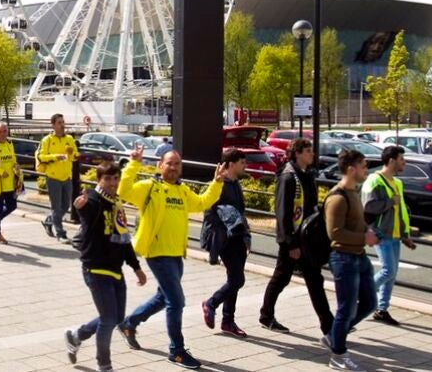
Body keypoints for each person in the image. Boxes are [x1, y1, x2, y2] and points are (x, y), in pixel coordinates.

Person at [116, 147, 224, 370]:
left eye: (177, 164)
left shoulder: (182, 191)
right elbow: (123, 191)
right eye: (169, 163)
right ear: (160, 165)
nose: (173, 167)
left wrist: (217, 182)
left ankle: (129, 323)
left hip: (176, 254)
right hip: (157, 253)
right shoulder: (150, 187)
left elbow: (201, 202)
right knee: (176, 301)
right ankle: (176, 351)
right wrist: (133, 164)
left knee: (162, 297)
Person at [65, 161, 147, 372]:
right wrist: (80, 208)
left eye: (115, 178)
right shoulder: (94, 199)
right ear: (99, 180)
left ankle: (77, 335)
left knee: (116, 317)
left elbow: (124, 239)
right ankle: (105, 365)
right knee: (109, 318)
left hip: (115, 269)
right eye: (107, 179)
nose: (112, 183)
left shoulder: (116, 203)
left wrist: (136, 267)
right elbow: (86, 211)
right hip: (95, 268)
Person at [259, 138, 333, 336]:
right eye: (308, 151)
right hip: (293, 240)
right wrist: (290, 243)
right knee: (281, 278)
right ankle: (266, 315)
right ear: (298, 153)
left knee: (315, 280)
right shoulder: (288, 177)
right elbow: (282, 212)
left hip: (307, 239)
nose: (312, 154)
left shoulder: (307, 175)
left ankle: (329, 325)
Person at [324, 149, 379, 371]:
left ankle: (334, 335)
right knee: (345, 310)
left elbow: (357, 222)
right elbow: (334, 233)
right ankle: (338, 355)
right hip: (343, 258)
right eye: (363, 166)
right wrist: (364, 238)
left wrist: (368, 231)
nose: (366, 170)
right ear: (350, 169)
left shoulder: (354, 192)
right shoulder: (337, 198)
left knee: (370, 303)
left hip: (359, 256)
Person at [200, 149, 252, 339]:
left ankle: (228, 321)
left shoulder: (236, 183)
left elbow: (240, 212)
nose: (245, 166)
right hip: (225, 239)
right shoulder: (219, 184)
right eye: (242, 162)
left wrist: (247, 237)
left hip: (238, 237)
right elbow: (208, 211)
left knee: (234, 279)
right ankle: (211, 303)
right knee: (238, 280)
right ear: (231, 164)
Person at [362, 145, 416, 326]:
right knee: (388, 270)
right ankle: (363, 294)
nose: (404, 162)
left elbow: (401, 212)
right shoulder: (374, 180)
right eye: (401, 159)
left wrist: (405, 234)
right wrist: (390, 202)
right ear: (392, 161)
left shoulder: (397, 183)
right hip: (381, 232)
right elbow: (368, 206)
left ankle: (382, 309)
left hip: (394, 234)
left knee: (391, 274)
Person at [36, 113, 78, 243]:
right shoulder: (47, 140)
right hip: (53, 177)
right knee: (56, 207)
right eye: (59, 122)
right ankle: (61, 234)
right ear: (53, 125)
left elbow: (75, 156)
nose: (62, 125)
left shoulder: (69, 139)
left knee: (65, 205)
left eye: (63, 122)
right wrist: (55, 157)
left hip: (66, 177)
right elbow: (41, 157)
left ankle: (49, 221)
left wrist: (73, 153)